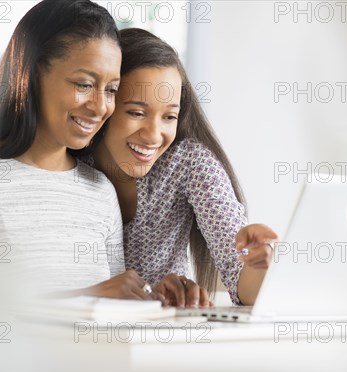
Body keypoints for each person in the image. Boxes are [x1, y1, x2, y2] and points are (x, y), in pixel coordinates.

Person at [0, 0, 161, 300]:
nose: (100, 106)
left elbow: (113, 308)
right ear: (32, 74)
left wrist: (156, 297)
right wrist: (88, 294)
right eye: (84, 83)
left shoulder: (100, 190)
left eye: (111, 90)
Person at [83, 28, 277, 306]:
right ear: (107, 102)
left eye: (169, 116)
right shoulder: (69, 164)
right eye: (136, 113)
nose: (153, 135)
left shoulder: (188, 165)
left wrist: (258, 263)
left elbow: (245, 289)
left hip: (164, 334)